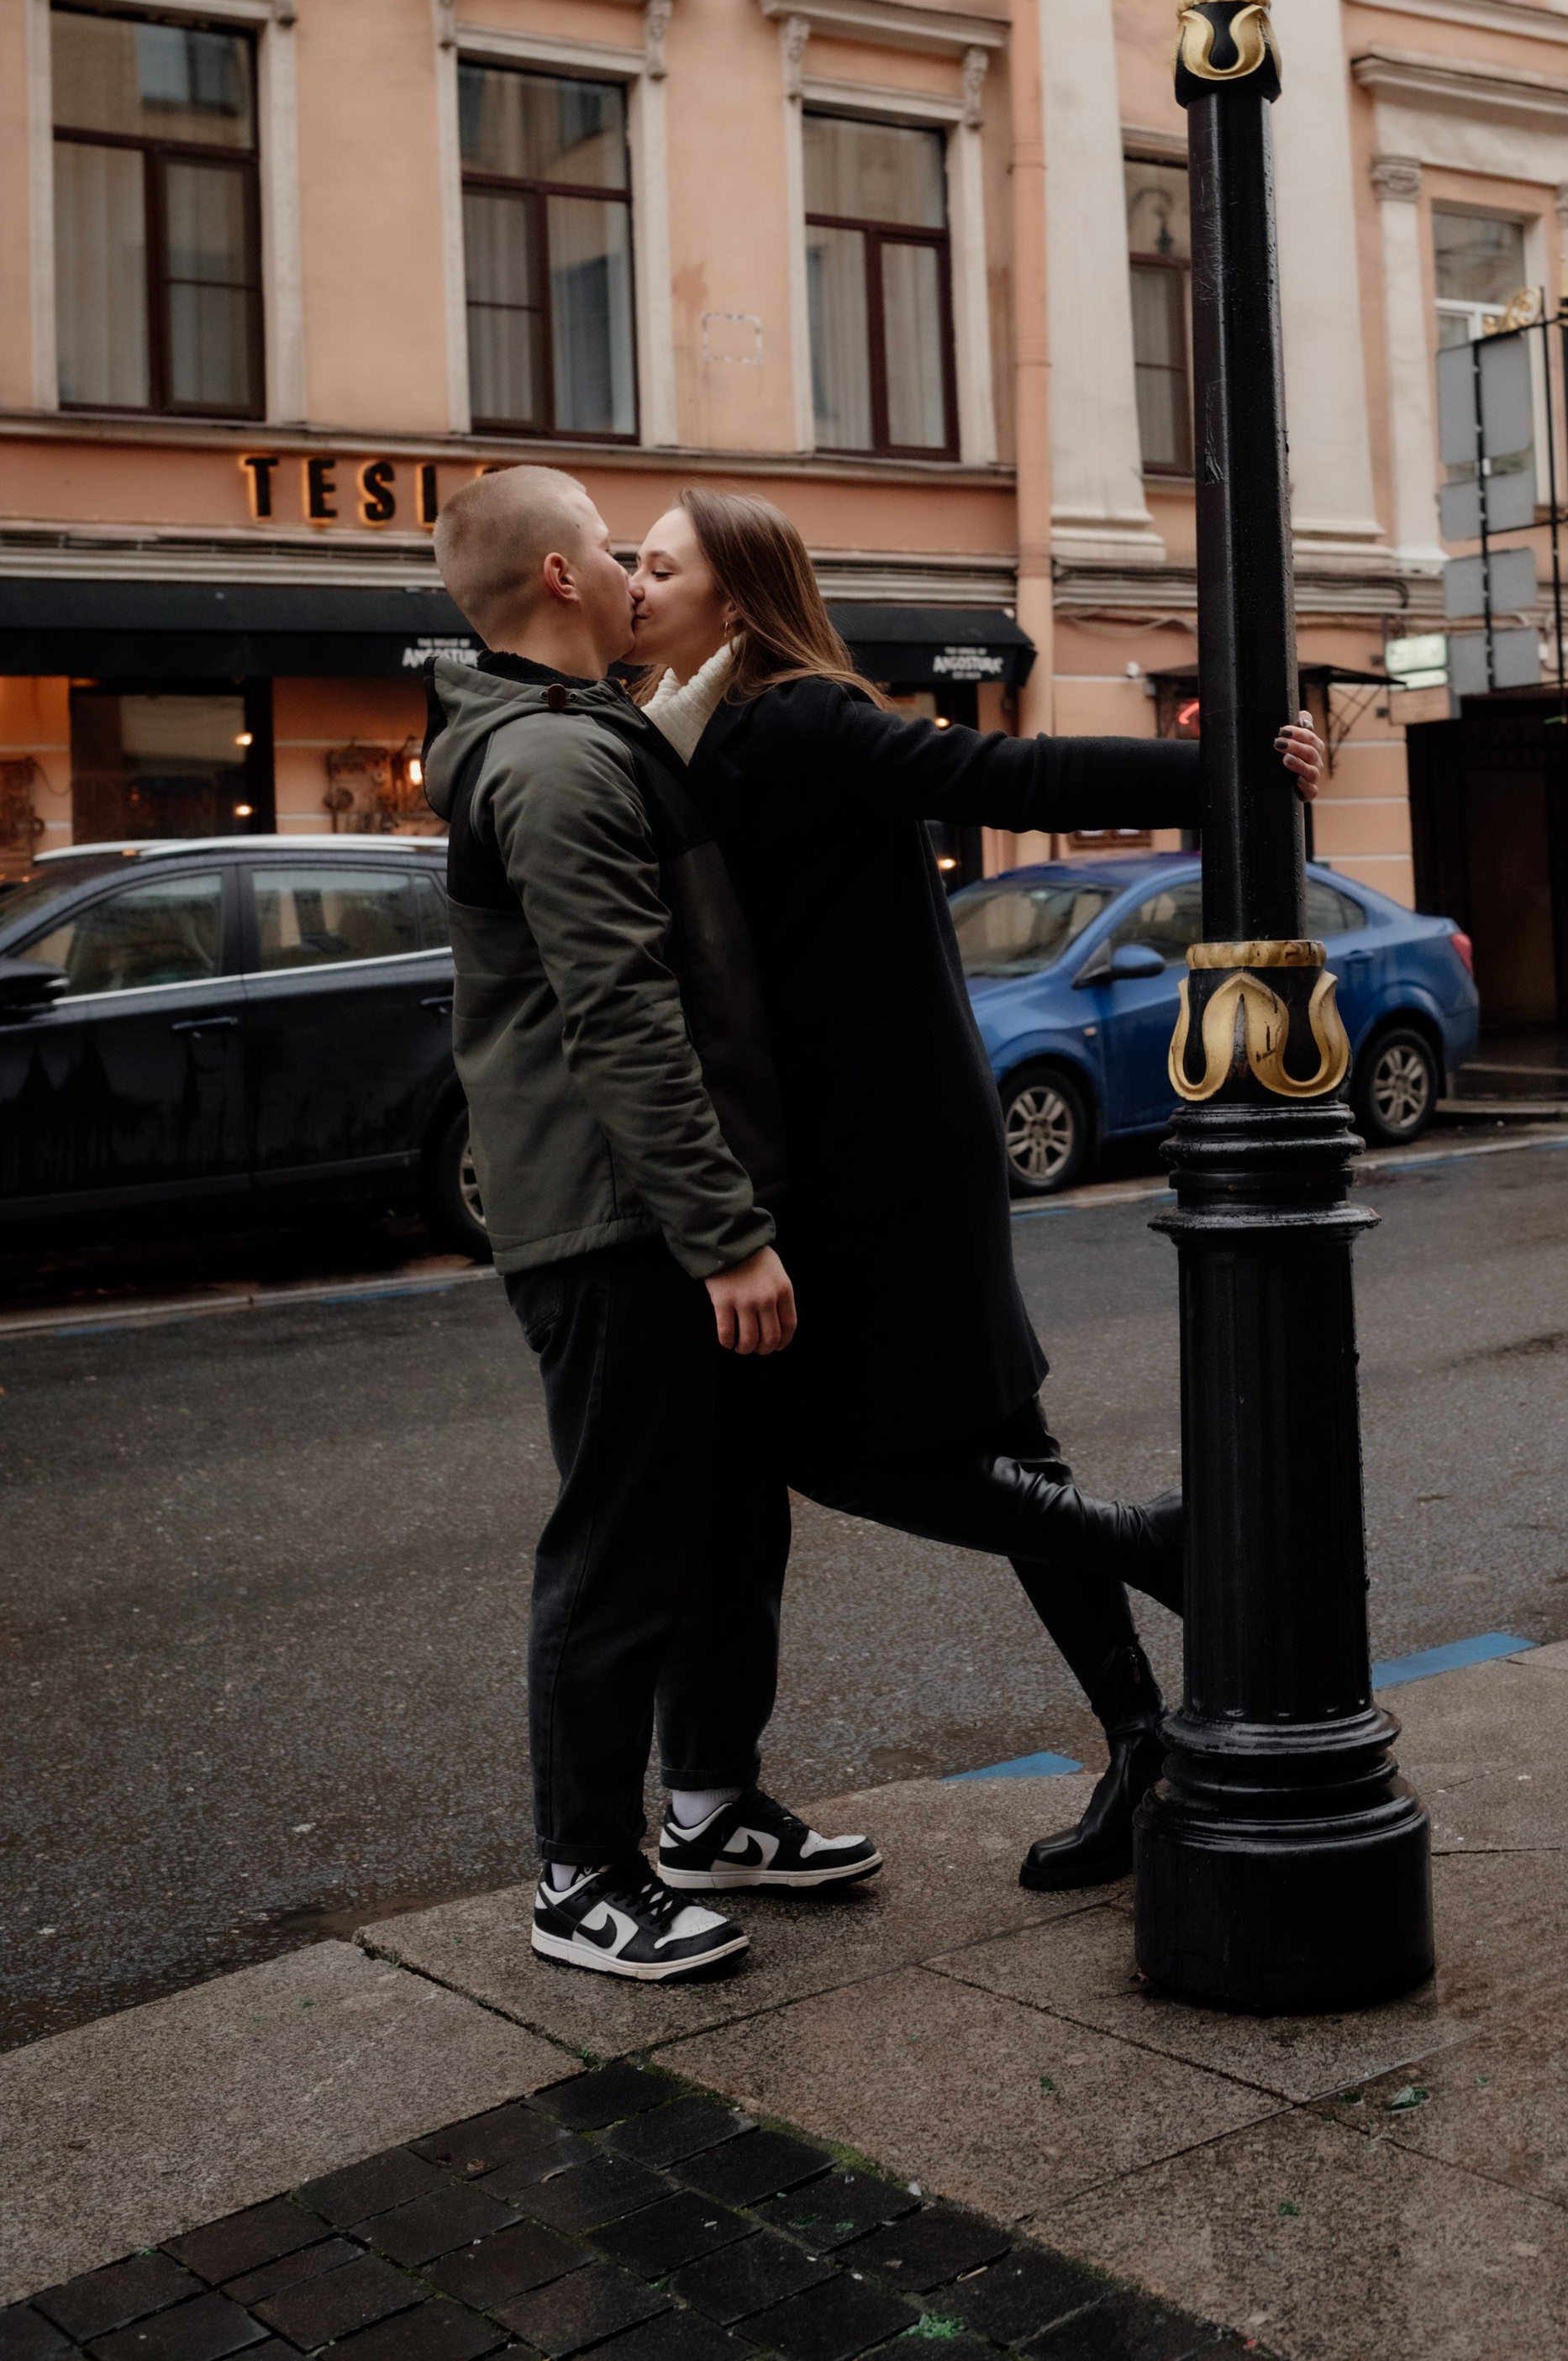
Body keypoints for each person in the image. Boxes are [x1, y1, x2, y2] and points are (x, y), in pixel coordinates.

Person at [629, 486, 1324, 1890]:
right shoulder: (685, 737)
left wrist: (1225, 767)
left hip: (877, 1155)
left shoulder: (803, 718)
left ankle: (1150, 1556)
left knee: (840, 1449)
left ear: (735, 594)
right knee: (1007, 1437)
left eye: (660, 566)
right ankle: (1140, 1736)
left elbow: (1011, 783)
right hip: (850, 1143)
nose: (636, 585)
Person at [425, 464, 881, 1987]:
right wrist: (723, 1234)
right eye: (616, 555)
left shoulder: (591, 732)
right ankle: (582, 1880)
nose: (637, 575)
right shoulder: (548, 766)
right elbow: (621, 1019)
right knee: (619, 1549)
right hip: (619, 1227)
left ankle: (706, 1806)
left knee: (729, 1521)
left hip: (669, 1217)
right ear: (560, 580)